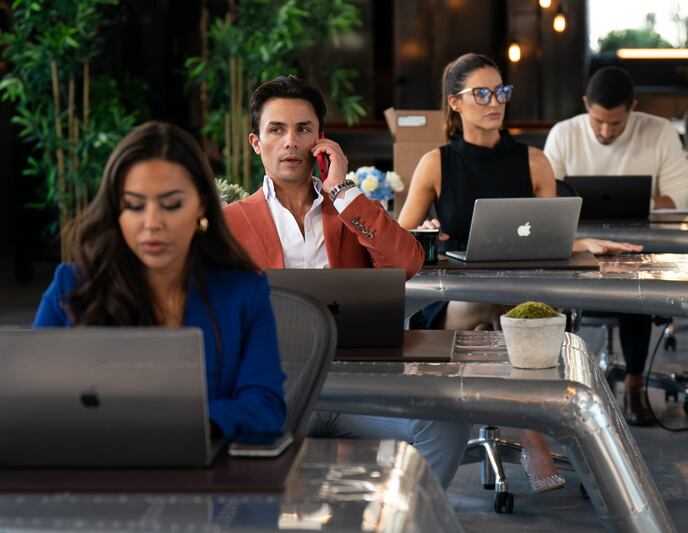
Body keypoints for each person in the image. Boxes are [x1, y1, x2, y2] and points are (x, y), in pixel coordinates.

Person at [398, 53, 641, 493]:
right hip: (458, 299)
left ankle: (526, 432)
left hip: (521, 294)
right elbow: (400, 240)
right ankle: (532, 435)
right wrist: (425, 231)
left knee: (510, 308)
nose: (495, 102)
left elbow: (551, 234)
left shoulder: (534, 161)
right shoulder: (436, 163)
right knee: (496, 308)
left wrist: (582, 243)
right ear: (455, 102)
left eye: (501, 92)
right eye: (482, 94)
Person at [223, 75, 470, 489]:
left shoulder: (350, 210)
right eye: (276, 130)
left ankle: (410, 515)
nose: (290, 142)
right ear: (256, 143)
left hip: (357, 385)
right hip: (277, 392)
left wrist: (341, 189)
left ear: (321, 140)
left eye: (303, 129)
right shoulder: (230, 223)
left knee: (446, 420)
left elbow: (408, 262)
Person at [34, 121, 286, 439]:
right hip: (90, 463)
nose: (152, 223)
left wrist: (178, 427)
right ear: (116, 210)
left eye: (171, 205)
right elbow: (31, 399)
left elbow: (265, 407)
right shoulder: (72, 286)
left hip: (201, 465)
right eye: (134, 206)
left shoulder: (243, 292)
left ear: (201, 204)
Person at [543, 66, 688, 427]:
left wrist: (642, 203)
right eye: (598, 122)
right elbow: (546, 201)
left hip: (637, 249)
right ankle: (558, 385)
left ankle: (635, 384)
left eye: (616, 123)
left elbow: (683, 197)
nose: (606, 131)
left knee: (632, 282)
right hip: (579, 248)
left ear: (633, 108)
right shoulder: (564, 134)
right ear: (586, 105)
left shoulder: (659, 132)